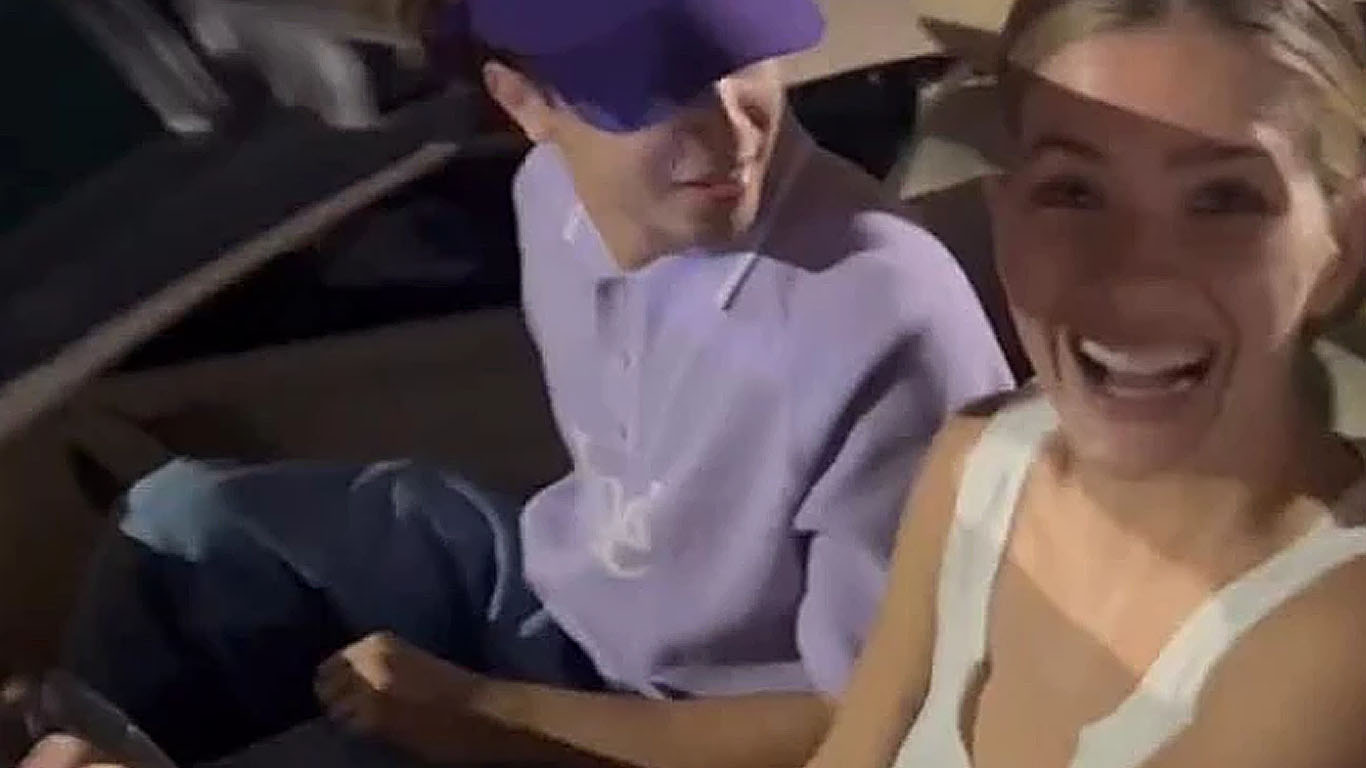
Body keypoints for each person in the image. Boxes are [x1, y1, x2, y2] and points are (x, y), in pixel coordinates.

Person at [42, 0, 1012, 766]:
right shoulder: (547, 199)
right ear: (525, 102)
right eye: (648, 88)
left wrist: (488, 714)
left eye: (740, 53)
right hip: (565, 598)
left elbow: (868, 721)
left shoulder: (883, 318)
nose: (730, 130)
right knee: (178, 524)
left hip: (688, 728)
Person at [804, 1, 1366, 767]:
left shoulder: (1338, 639)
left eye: (1224, 199)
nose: (1131, 282)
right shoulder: (976, 463)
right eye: (1073, 191)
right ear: (1004, 215)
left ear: (1343, 246)